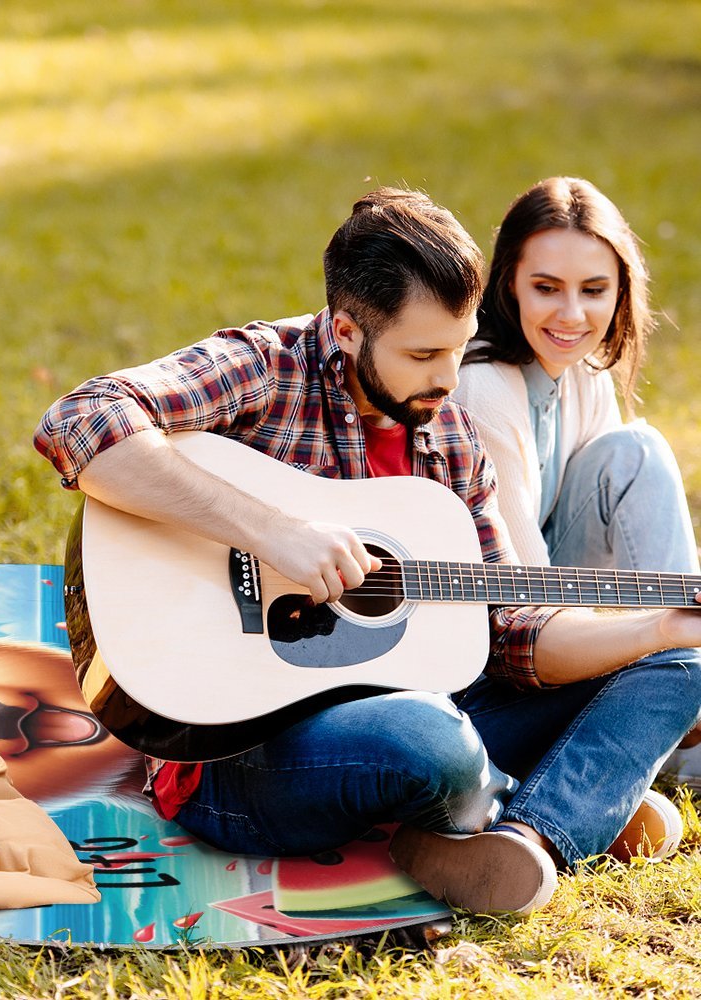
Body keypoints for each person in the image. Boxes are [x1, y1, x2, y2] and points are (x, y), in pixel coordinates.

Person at [34, 187, 701, 916]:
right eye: (423, 354)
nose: (449, 380)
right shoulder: (265, 367)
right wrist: (270, 531)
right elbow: (81, 419)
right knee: (430, 741)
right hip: (238, 754)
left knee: (681, 664)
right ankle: (560, 796)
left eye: (458, 346)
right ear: (347, 330)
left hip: (427, 709)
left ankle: (531, 837)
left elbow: (510, 629)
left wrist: (657, 628)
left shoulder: (449, 435)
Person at [454, 176, 701, 788]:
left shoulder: (582, 369)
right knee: (638, 451)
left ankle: (679, 695)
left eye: (594, 290)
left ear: (621, 291)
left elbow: (620, 546)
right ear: (508, 281)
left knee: (632, 451)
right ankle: (679, 729)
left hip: (562, 615)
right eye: (546, 288)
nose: (572, 315)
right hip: (496, 650)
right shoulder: (484, 386)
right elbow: (525, 603)